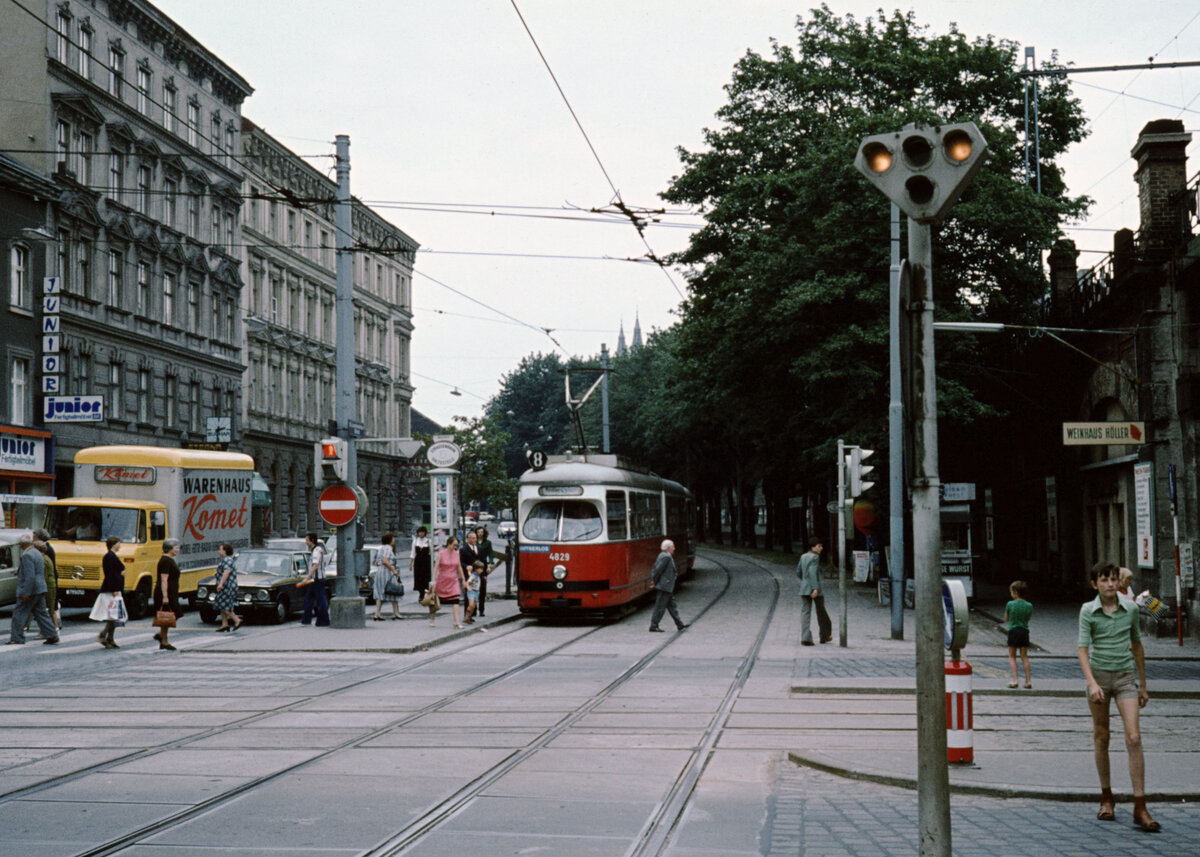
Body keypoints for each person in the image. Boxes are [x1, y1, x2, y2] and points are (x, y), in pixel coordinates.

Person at [1078, 560, 1159, 832]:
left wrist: (1142, 684)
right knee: (1102, 736)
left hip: (1125, 678)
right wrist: (1091, 683)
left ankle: (1140, 806)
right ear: (1095, 584)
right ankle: (1107, 798)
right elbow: (1082, 650)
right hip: (1099, 678)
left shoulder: (1131, 609)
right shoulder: (1088, 610)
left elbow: (1137, 644)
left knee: (1134, 737)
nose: (1110, 584)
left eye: (1113, 579)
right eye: (1104, 580)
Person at [7, 533, 59, 645]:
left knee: (19, 614)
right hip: (40, 588)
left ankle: (17, 637)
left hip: (31, 590)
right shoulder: (37, 553)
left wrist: (26, 592)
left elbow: (29, 576)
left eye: (20, 543)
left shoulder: (27, 555)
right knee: (42, 614)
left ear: (22, 543)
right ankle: (52, 635)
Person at [90, 536, 125, 648]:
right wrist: (114, 589)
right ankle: (104, 635)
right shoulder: (109, 556)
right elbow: (110, 574)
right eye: (119, 543)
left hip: (114, 589)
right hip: (111, 590)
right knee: (112, 615)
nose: (120, 545)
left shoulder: (112, 556)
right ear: (114, 544)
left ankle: (110, 638)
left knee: (114, 615)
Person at [797, 536, 832, 645]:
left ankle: (805, 637)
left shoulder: (803, 556)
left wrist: (805, 581)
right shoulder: (815, 557)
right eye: (819, 546)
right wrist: (815, 588)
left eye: (821, 546)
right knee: (821, 611)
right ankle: (824, 635)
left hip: (804, 589)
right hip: (816, 589)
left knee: (805, 612)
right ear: (812, 547)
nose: (821, 548)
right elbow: (812, 573)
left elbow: (798, 572)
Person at [648, 539, 686, 632]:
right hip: (665, 586)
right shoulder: (666, 557)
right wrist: (655, 582)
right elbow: (658, 571)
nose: (674, 548)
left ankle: (679, 624)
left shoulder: (664, 555)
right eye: (673, 546)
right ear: (668, 548)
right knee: (660, 607)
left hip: (667, 586)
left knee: (672, 606)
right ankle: (653, 625)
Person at [433, 534, 467, 629]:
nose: (455, 547)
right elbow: (436, 567)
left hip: (453, 580)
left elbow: (459, 567)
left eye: (457, 545)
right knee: (437, 601)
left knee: (456, 600)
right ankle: (432, 618)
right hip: (443, 580)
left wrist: (463, 579)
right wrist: (433, 580)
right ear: (448, 543)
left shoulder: (457, 553)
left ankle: (456, 621)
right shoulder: (441, 554)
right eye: (454, 545)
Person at [154, 539, 182, 651]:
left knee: (170, 616)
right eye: (176, 547)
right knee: (168, 616)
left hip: (171, 592)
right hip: (166, 592)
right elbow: (164, 579)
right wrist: (165, 596)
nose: (178, 549)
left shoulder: (170, 560)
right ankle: (164, 640)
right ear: (169, 548)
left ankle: (162, 637)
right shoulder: (165, 561)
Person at [1005, 580, 1033, 688]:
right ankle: (1028, 681)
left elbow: (1007, 618)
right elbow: (1028, 618)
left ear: (1015, 592)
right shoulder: (1029, 605)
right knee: (1024, 656)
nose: (1010, 593)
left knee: (1012, 656)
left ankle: (1015, 680)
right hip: (1024, 631)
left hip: (1013, 631)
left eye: (1011, 591)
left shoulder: (1010, 604)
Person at [300, 532, 331, 626]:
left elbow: (315, 565)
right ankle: (306, 619)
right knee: (309, 599)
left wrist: (307, 578)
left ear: (312, 540)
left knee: (320, 600)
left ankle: (323, 620)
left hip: (317, 579)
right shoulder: (317, 550)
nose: (306, 542)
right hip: (316, 579)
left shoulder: (316, 551)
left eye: (307, 540)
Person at [33, 527, 59, 631]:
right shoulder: (47, 549)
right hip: (48, 582)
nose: (33, 537)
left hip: (47, 583)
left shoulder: (45, 553)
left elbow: (44, 572)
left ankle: (53, 628)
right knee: (49, 607)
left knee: (48, 607)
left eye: (34, 536)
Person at [372, 532, 402, 620]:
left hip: (380, 572)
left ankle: (377, 614)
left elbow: (377, 562)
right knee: (393, 590)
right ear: (389, 540)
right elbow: (385, 560)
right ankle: (395, 613)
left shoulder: (381, 548)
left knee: (380, 592)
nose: (394, 540)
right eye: (393, 538)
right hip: (387, 572)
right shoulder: (388, 548)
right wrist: (393, 570)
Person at [213, 543, 242, 632]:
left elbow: (227, 572)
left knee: (225, 605)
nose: (219, 551)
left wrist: (221, 584)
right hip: (226, 586)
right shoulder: (225, 560)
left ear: (225, 551)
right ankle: (224, 624)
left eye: (220, 550)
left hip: (227, 587)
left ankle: (237, 620)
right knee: (222, 604)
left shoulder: (227, 560)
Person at [474, 525, 495, 617]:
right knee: (474, 587)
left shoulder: (488, 543)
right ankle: (473, 609)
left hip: (483, 566)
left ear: (484, 533)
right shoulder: (474, 542)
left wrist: (490, 564)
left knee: (482, 588)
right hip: (474, 566)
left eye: (481, 532)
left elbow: (491, 554)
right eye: (478, 532)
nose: (480, 534)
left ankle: (481, 609)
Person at [410, 526, 431, 603]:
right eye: (419, 532)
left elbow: (431, 552)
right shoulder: (415, 541)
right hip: (418, 562)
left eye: (422, 532)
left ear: (425, 533)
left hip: (426, 562)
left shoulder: (428, 541)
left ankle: (425, 593)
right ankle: (421, 593)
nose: (421, 534)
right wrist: (410, 563)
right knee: (419, 578)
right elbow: (413, 553)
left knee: (426, 578)